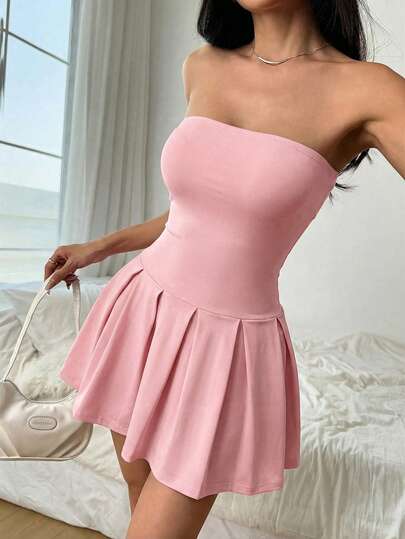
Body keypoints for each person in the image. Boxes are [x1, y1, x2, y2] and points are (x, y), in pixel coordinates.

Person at [43, 1, 405, 538]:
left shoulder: (368, 90)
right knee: (138, 494)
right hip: (144, 310)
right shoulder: (202, 66)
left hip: (225, 345)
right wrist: (99, 247)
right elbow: (200, 212)